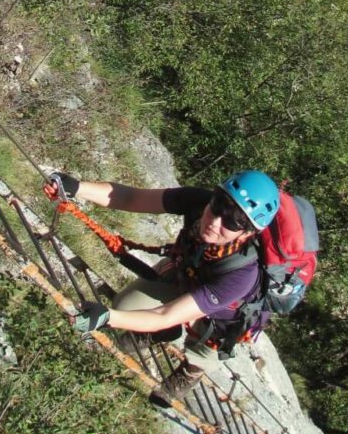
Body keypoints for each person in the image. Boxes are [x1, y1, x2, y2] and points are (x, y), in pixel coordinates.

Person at [43, 169, 280, 404]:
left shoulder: (242, 274)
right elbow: (131, 197)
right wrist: (77, 186)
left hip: (225, 314)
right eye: (218, 206)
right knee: (125, 305)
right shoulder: (198, 201)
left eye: (231, 221)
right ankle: (161, 335)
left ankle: (191, 372)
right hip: (186, 272)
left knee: (205, 347)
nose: (215, 222)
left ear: (248, 232)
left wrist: (106, 318)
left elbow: (165, 315)